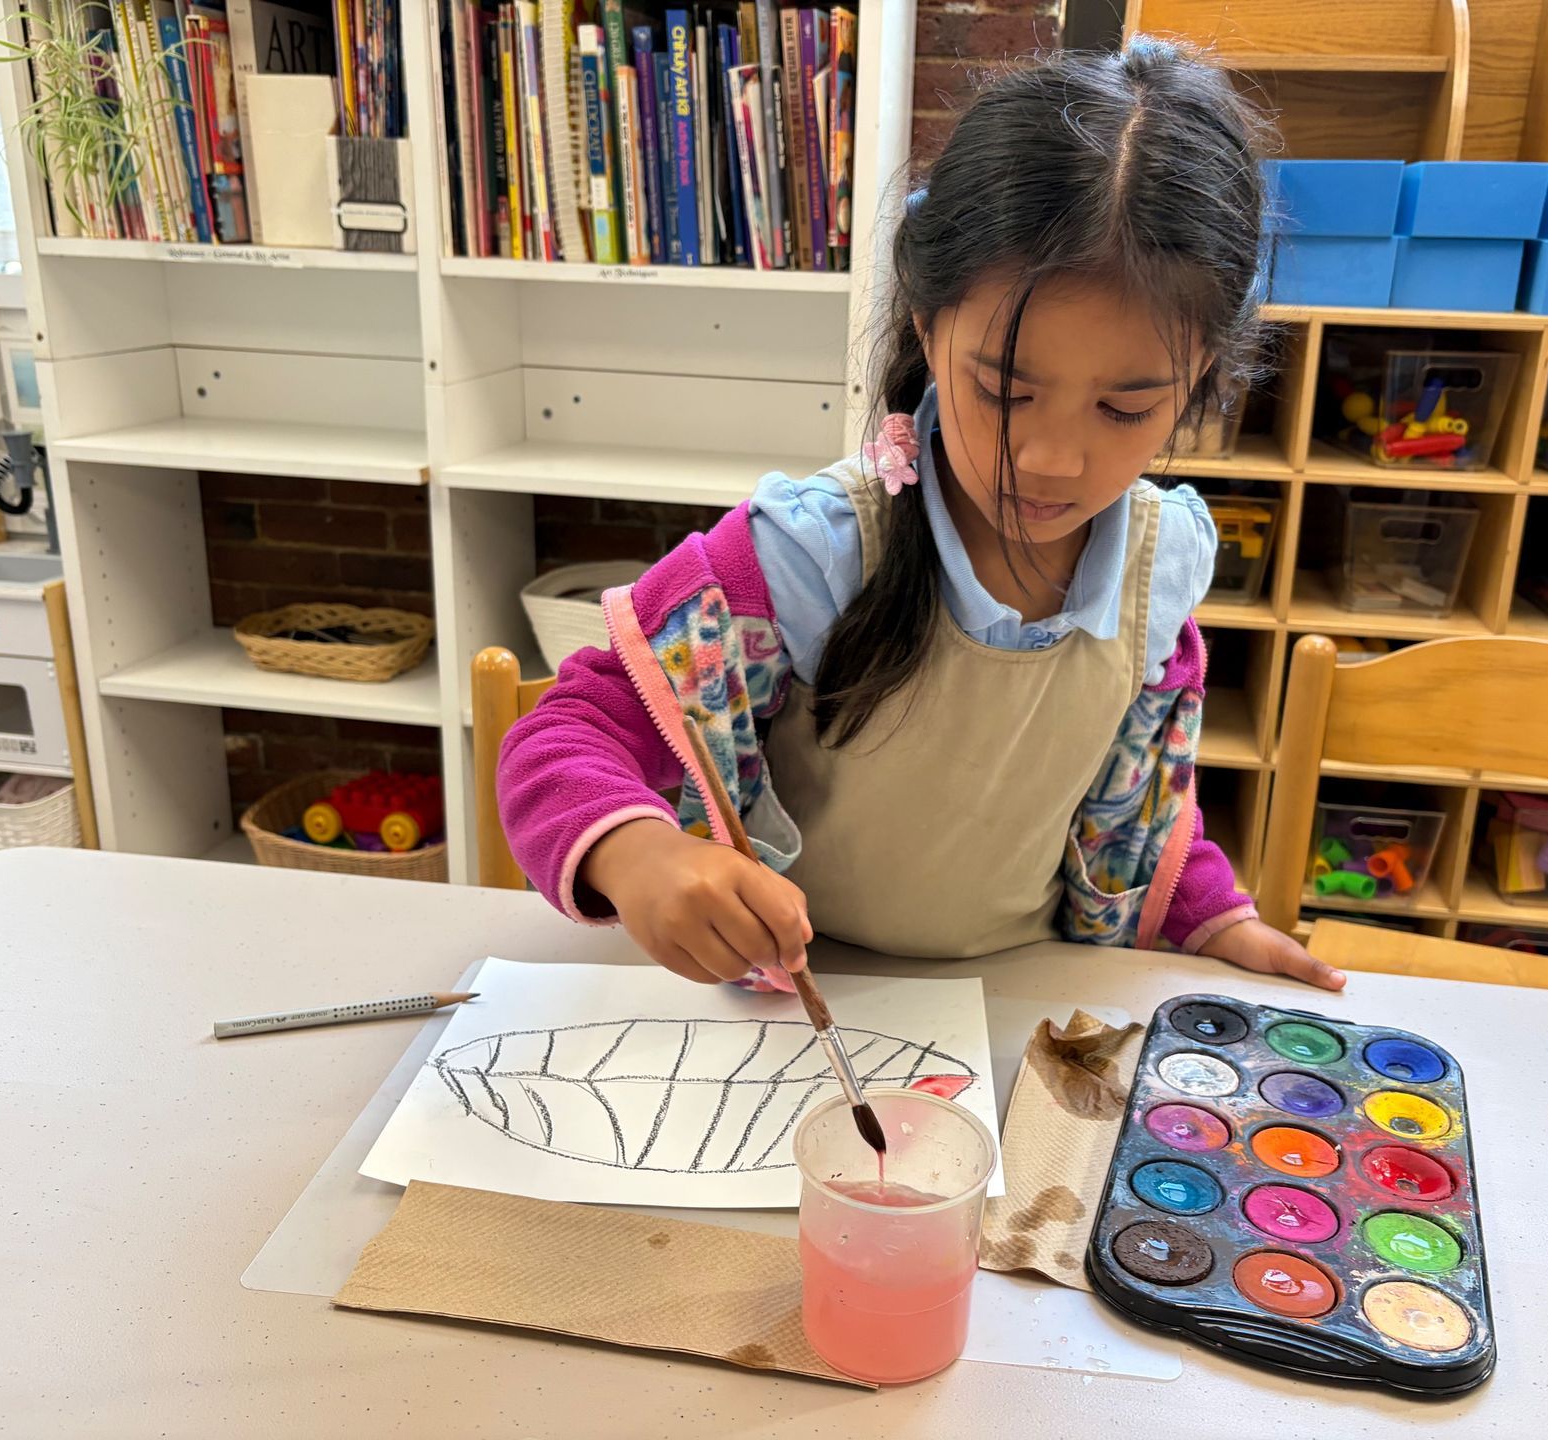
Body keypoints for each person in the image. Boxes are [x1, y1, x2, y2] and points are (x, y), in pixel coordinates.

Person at [499, 41, 1345, 993]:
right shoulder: (814, 551)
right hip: (799, 1010)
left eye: (1126, 409)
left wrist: (1205, 917)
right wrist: (636, 853)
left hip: (1015, 1003)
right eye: (1003, 389)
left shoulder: (1160, 571)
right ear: (926, 323)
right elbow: (567, 733)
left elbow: (1135, 804)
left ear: (1204, 377)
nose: (1052, 459)